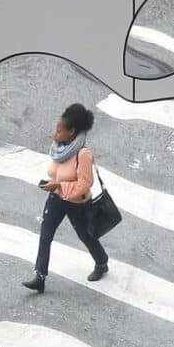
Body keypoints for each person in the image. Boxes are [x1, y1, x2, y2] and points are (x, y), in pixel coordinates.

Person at [22, 103, 109, 293]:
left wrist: (59, 185)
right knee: (45, 236)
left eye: (59, 131)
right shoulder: (60, 148)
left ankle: (102, 262)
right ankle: (40, 277)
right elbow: (58, 172)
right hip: (56, 199)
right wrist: (52, 184)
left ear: (72, 131)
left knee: (85, 236)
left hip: (77, 204)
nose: (55, 134)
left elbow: (84, 184)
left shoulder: (83, 154)